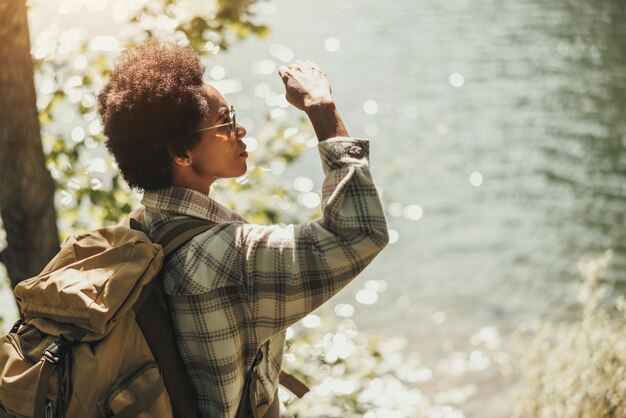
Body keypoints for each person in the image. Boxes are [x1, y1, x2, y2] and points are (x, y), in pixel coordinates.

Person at [97, 39, 388, 418]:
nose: (241, 129)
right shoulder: (227, 257)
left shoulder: (138, 229)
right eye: (225, 121)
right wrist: (322, 108)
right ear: (181, 153)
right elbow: (360, 231)